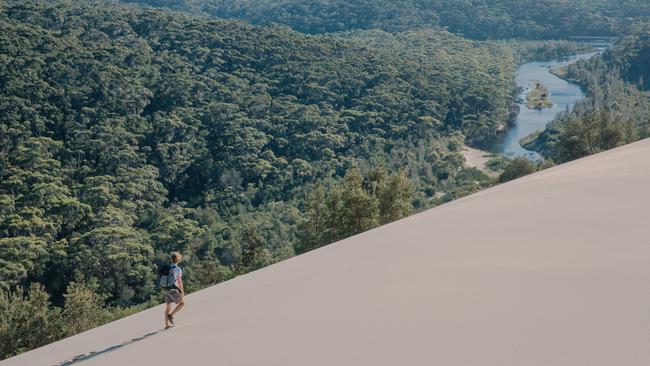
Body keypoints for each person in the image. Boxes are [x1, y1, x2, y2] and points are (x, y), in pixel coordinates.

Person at [164, 252, 185, 329]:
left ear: (171, 259)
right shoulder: (178, 269)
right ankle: (171, 315)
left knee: (168, 306)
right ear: (178, 259)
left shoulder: (167, 268)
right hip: (173, 289)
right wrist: (182, 292)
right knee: (182, 303)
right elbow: (179, 282)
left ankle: (166, 325)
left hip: (166, 289)